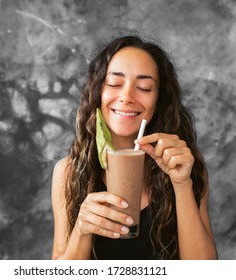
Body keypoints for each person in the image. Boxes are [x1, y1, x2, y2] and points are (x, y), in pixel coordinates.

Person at [51, 35, 217, 260]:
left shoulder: (185, 163)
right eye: (114, 84)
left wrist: (182, 184)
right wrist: (81, 230)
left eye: (144, 87)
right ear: (98, 92)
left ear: (158, 101)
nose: (127, 96)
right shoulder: (69, 172)